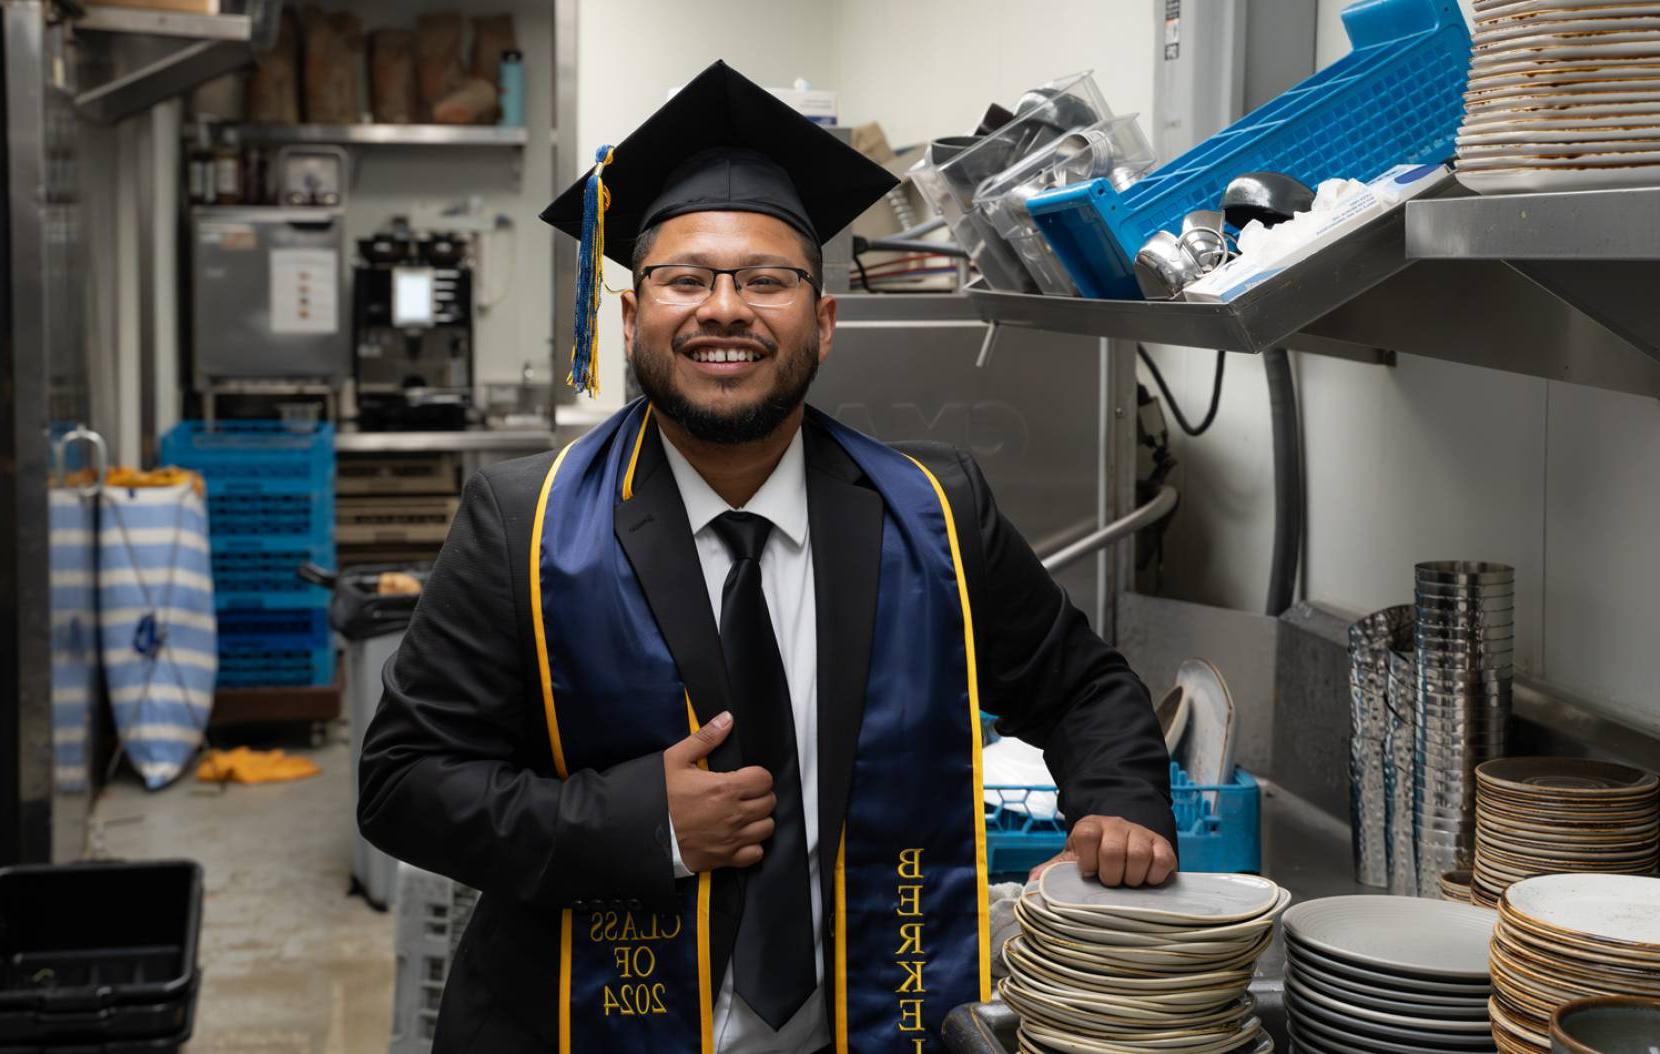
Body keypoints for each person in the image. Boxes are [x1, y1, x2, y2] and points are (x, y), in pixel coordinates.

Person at [358, 60, 1176, 1054]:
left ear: (823, 323)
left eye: (765, 281)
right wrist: (639, 822)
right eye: (685, 279)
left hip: (872, 1022)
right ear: (630, 317)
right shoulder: (522, 522)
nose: (723, 308)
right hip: (575, 1026)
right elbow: (401, 784)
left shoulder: (931, 511)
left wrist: (1122, 800)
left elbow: (1081, 686)